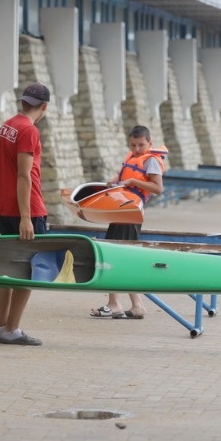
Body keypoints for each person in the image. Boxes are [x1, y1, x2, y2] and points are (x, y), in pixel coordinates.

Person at [0, 82, 50, 346]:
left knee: (6, 269)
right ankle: (13, 329)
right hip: (29, 209)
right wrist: (26, 216)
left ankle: (2, 327)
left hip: (6, 207)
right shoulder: (29, 130)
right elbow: (24, 175)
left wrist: (4, 195)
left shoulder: (8, 126)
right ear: (44, 107)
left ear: (23, 102)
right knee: (29, 269)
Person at [90, 125, 166, 319]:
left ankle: (118, 304)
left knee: (116, 256)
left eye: (141, 145)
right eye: (133, 145)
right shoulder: (132, 157)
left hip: (131, 213)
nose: (137, 149)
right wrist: (112, 182)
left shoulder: (151, 161)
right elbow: (123, 175)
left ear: (150, 143)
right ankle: (129, 305)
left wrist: (134, 183)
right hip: (121, 211)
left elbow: (158, 188)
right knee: (113, 254)